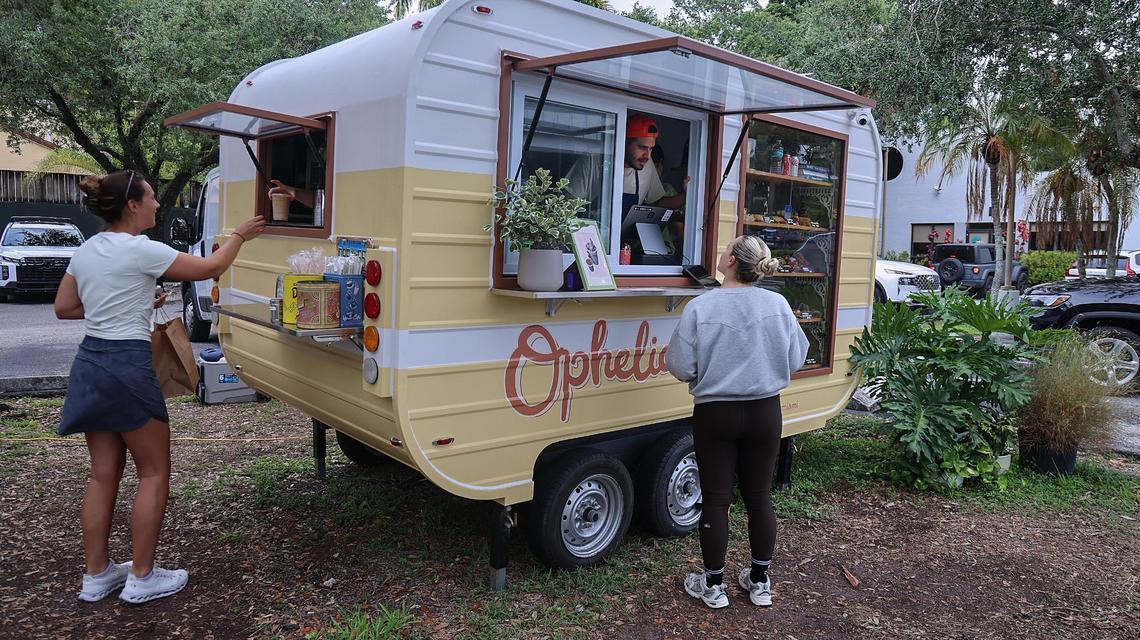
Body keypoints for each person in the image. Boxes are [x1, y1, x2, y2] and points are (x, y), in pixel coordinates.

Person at [57, 170, 266, 604]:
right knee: (153, 471)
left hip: (90, 363)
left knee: (102, 474)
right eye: (151, 198)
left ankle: (96, 575)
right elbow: (211, 267)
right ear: (132, 205)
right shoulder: (142, 249)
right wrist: (241, 235)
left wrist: (130, 303)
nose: (156, 205)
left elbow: (65, 307)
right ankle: (141, 576)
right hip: (127, 367)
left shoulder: (88, 249)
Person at [664, 235, 808, 609]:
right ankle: (759, 581)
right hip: (764, 411)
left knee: (716, 498)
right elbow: (796, 357)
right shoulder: (777, 304)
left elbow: (680, 365)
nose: (721, 251)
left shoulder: (701, 307)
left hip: (716, 412)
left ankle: (713, 585)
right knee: (759, 496)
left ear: (730, 262)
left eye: (726, 248)